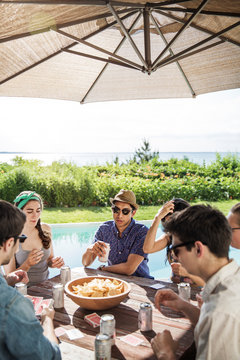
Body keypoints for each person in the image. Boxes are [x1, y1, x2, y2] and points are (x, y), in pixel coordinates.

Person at [151, 204, 240, 360]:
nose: (175, 257)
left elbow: (215, 322)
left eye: (176, 250)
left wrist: (166, 354)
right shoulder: (231, 279)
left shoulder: (220, 312)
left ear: (198, 249)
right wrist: (184, 306)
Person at [0, 200, 61, 359]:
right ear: (10, 243)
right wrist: (47, 320)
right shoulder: (15, 303)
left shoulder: (46, 229)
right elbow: (50, 356)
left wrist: (8, 280)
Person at [82, 189, 153, 278]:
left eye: (125, 211)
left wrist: (103, 269)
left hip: (141, 282)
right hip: (114, 281)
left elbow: (129, 268)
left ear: (133, 213)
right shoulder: (104, 229)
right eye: (116, 210)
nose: (119, 215)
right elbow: (86, 263)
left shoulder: (141, 231)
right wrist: (90, 249)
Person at [4, 191, 64, 286]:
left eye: (38, 210)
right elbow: (9, 278)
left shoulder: (45, 229)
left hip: (45, 286)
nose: (35, 215)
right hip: (22, 291)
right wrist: (27, 264)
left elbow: (49, 259)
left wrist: (54, 262)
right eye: (30, 211)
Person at [143, 198, 204, 287]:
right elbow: (147, 248)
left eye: (172, 222)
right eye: (166, 222)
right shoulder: (170, 237)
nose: (170, 227)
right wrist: (157, 217)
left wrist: (187, 273)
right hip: (175, 287)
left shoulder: (200, 240)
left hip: (197, 292)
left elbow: (211, 280)